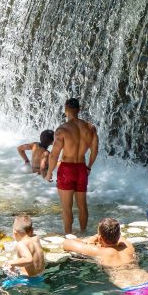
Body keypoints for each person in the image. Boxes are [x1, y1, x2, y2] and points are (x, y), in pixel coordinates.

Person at [45, 98, 99, 236]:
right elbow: (94, 150)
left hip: (67, 169)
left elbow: (54, 155)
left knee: (66, 207)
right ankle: (84, 233)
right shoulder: (90, 128)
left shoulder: (62, 129)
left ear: (66, 109)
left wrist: (49, 172)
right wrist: (89, 167)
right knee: (82, 205)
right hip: (81, 168)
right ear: (79, 110)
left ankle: (68, 236)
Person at [2, 214, 46, 288]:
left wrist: (10, 263)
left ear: (15, 233)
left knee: (2, 287)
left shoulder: (21, 244)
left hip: (28, 280)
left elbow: (28, 259)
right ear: (31, 230)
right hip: (41, 275)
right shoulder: (36, 238)